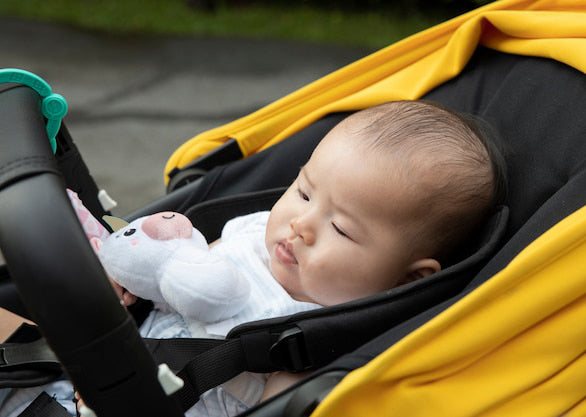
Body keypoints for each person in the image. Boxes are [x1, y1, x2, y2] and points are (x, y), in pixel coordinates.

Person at [0, 99, 505, 417]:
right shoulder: (250, 234)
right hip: (69, 364)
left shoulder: (316, 341)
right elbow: (174, 274)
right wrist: (129, 278)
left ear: (407, 279)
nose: (301, 225)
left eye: (342, 229)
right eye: (304, 192)